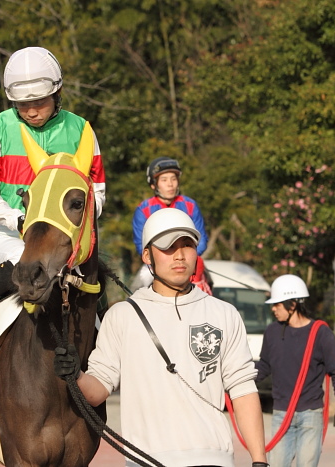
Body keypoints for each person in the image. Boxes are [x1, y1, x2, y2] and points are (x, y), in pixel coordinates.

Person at [55, 208, 268, 467]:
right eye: (168, 247)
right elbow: (98, 390)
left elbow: (243, 390)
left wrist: (260, 461)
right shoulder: (122, 315)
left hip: (215, 459)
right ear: (147, 255)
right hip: (146, 461)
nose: (179, 255)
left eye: (187, 245)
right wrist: (75, 375)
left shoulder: (224, 313)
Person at [0, 46, 106, 365]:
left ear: (57, 95)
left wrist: (74, 231)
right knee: (25, 263)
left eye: (39, 102)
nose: (31, 111)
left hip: (67, 238)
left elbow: (96, 191)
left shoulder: (82, 130)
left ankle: (104, 353)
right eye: (23, 104)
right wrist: (17, 219)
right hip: (10, 235)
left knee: (95, 281)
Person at [255, 274, 335, 467]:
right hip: (282, 413)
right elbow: (264, 365)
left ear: (292, 305)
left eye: (277, 305)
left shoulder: (321, 333)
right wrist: (239, 380)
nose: (273, 309)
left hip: (311, 415)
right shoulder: (272, 332)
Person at [131, 157, 210, 291]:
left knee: (206, 283)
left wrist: (187, 257)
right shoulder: (143, 210)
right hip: (157, 261)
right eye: (164, 180)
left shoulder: (190, 205)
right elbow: (141, 244)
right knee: (140, 283)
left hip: (187, 259)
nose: (170, 184)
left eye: (173, 179)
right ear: (153, 184)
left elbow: (201, 240)